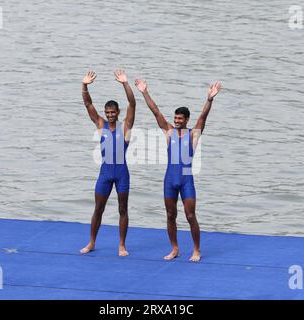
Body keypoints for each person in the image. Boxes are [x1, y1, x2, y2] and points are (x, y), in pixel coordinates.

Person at [134, 78, 221, 262]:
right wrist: (144, 92)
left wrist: (209, 99)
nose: (177, 121)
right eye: (175, 118)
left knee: (190, 215)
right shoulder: (168, 132)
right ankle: (175, 248)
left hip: (186, 180)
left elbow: (203, 117)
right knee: (170, 215)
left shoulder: (193, 134)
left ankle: (196, 249)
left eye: (180, 119)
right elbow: (155, 111)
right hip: (170, 180)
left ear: (186, 120)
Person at [80, 70, 136, 256]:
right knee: (98, 208)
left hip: (121, 173)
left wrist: (125, 84)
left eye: (113, 112)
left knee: (122, 209)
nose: (110, 115)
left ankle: (122, 245)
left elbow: (132, 103)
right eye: (107, 112)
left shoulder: (125, 126)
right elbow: (88, 104)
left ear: (118, 112)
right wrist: (85, 86)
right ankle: (91, 242)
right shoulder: (100, 124)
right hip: (105, 173)